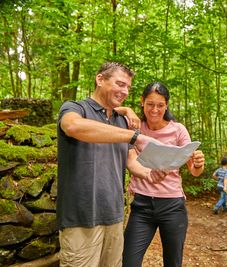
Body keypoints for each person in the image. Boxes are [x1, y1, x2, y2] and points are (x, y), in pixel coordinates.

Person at [57, 62, 164, 267]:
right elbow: (73, 126)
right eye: (120, 84)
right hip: (80, 217)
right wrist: (135, 137)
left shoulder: (121, 121)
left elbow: (130, 160)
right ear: (100, 79)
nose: (124, 91)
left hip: (114, 216)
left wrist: (148, 173)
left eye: (128, 88)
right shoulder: (74, 108)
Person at [122, 82, 205, 267]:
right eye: (150, 104)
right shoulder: (134, 127)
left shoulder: (178, 129)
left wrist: (199, 164)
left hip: (172, 206)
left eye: (160, 105)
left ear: (166, 105)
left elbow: (194, 170)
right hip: (141, 206)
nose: (154, 110)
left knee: (173, 263)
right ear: (142, 102)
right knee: (128, 261)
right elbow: (109, 111)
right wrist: (127, 109)